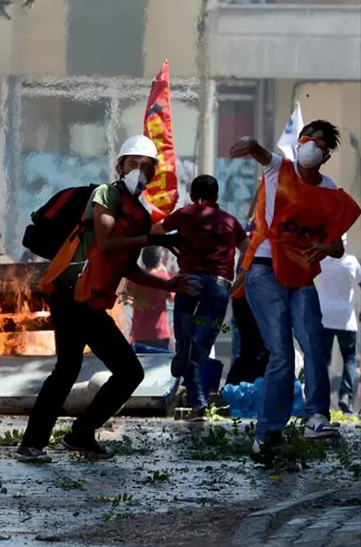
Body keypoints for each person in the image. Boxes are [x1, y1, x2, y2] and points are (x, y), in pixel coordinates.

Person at [15, 135, 193, 463]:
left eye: (146, 166)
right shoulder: (106, 194)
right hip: (71, 292)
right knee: (110, 370)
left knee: (94, 370)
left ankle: (66, 437)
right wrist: (155, 239)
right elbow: (107, 242)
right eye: (132, 163)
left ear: (153, 173)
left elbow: (127, 267)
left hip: (90, 299)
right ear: (120, 167)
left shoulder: (141, 216)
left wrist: (169, 285)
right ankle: (52, 439)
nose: (138, 170)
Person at [229, 120, 360, 457]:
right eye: (307, 139)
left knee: (314, 344)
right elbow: (261, 153)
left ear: (326, 155)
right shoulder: (279, 169)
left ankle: (316, 417)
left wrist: (325, 247)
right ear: (299, 142)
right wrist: (251, 144)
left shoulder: (328, 191)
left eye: (319, 143)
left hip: (300, 273)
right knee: (282, 354)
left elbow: (337, 247)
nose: (311, 145)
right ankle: (267, 434)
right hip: (264, 269)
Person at [154, 174, 249, 420]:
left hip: (189, 283)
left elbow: (155, 230)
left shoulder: (186, 213)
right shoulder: (230, 221)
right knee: (200, 346)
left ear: (192, 195)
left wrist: (171, 237)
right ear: (216, 196)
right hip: (218, 287)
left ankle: (197, 401)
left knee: (184, 343)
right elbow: (249, 252)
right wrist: (239, 281)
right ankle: (197, 399)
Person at [315, 235, 361, 414]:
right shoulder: (351, 262)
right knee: (349, 358)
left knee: (323, 359)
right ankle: (345, 396)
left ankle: (322, 397)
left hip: (324, 316)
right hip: (346, 319)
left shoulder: (320, 261)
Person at [125, 247, 173, 351]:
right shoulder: (163, 278)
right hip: (159, 333)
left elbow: (127, 298)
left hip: (139, 333)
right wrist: (165, 273)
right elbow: (172, 299)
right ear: (159, 260)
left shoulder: (135, 279)